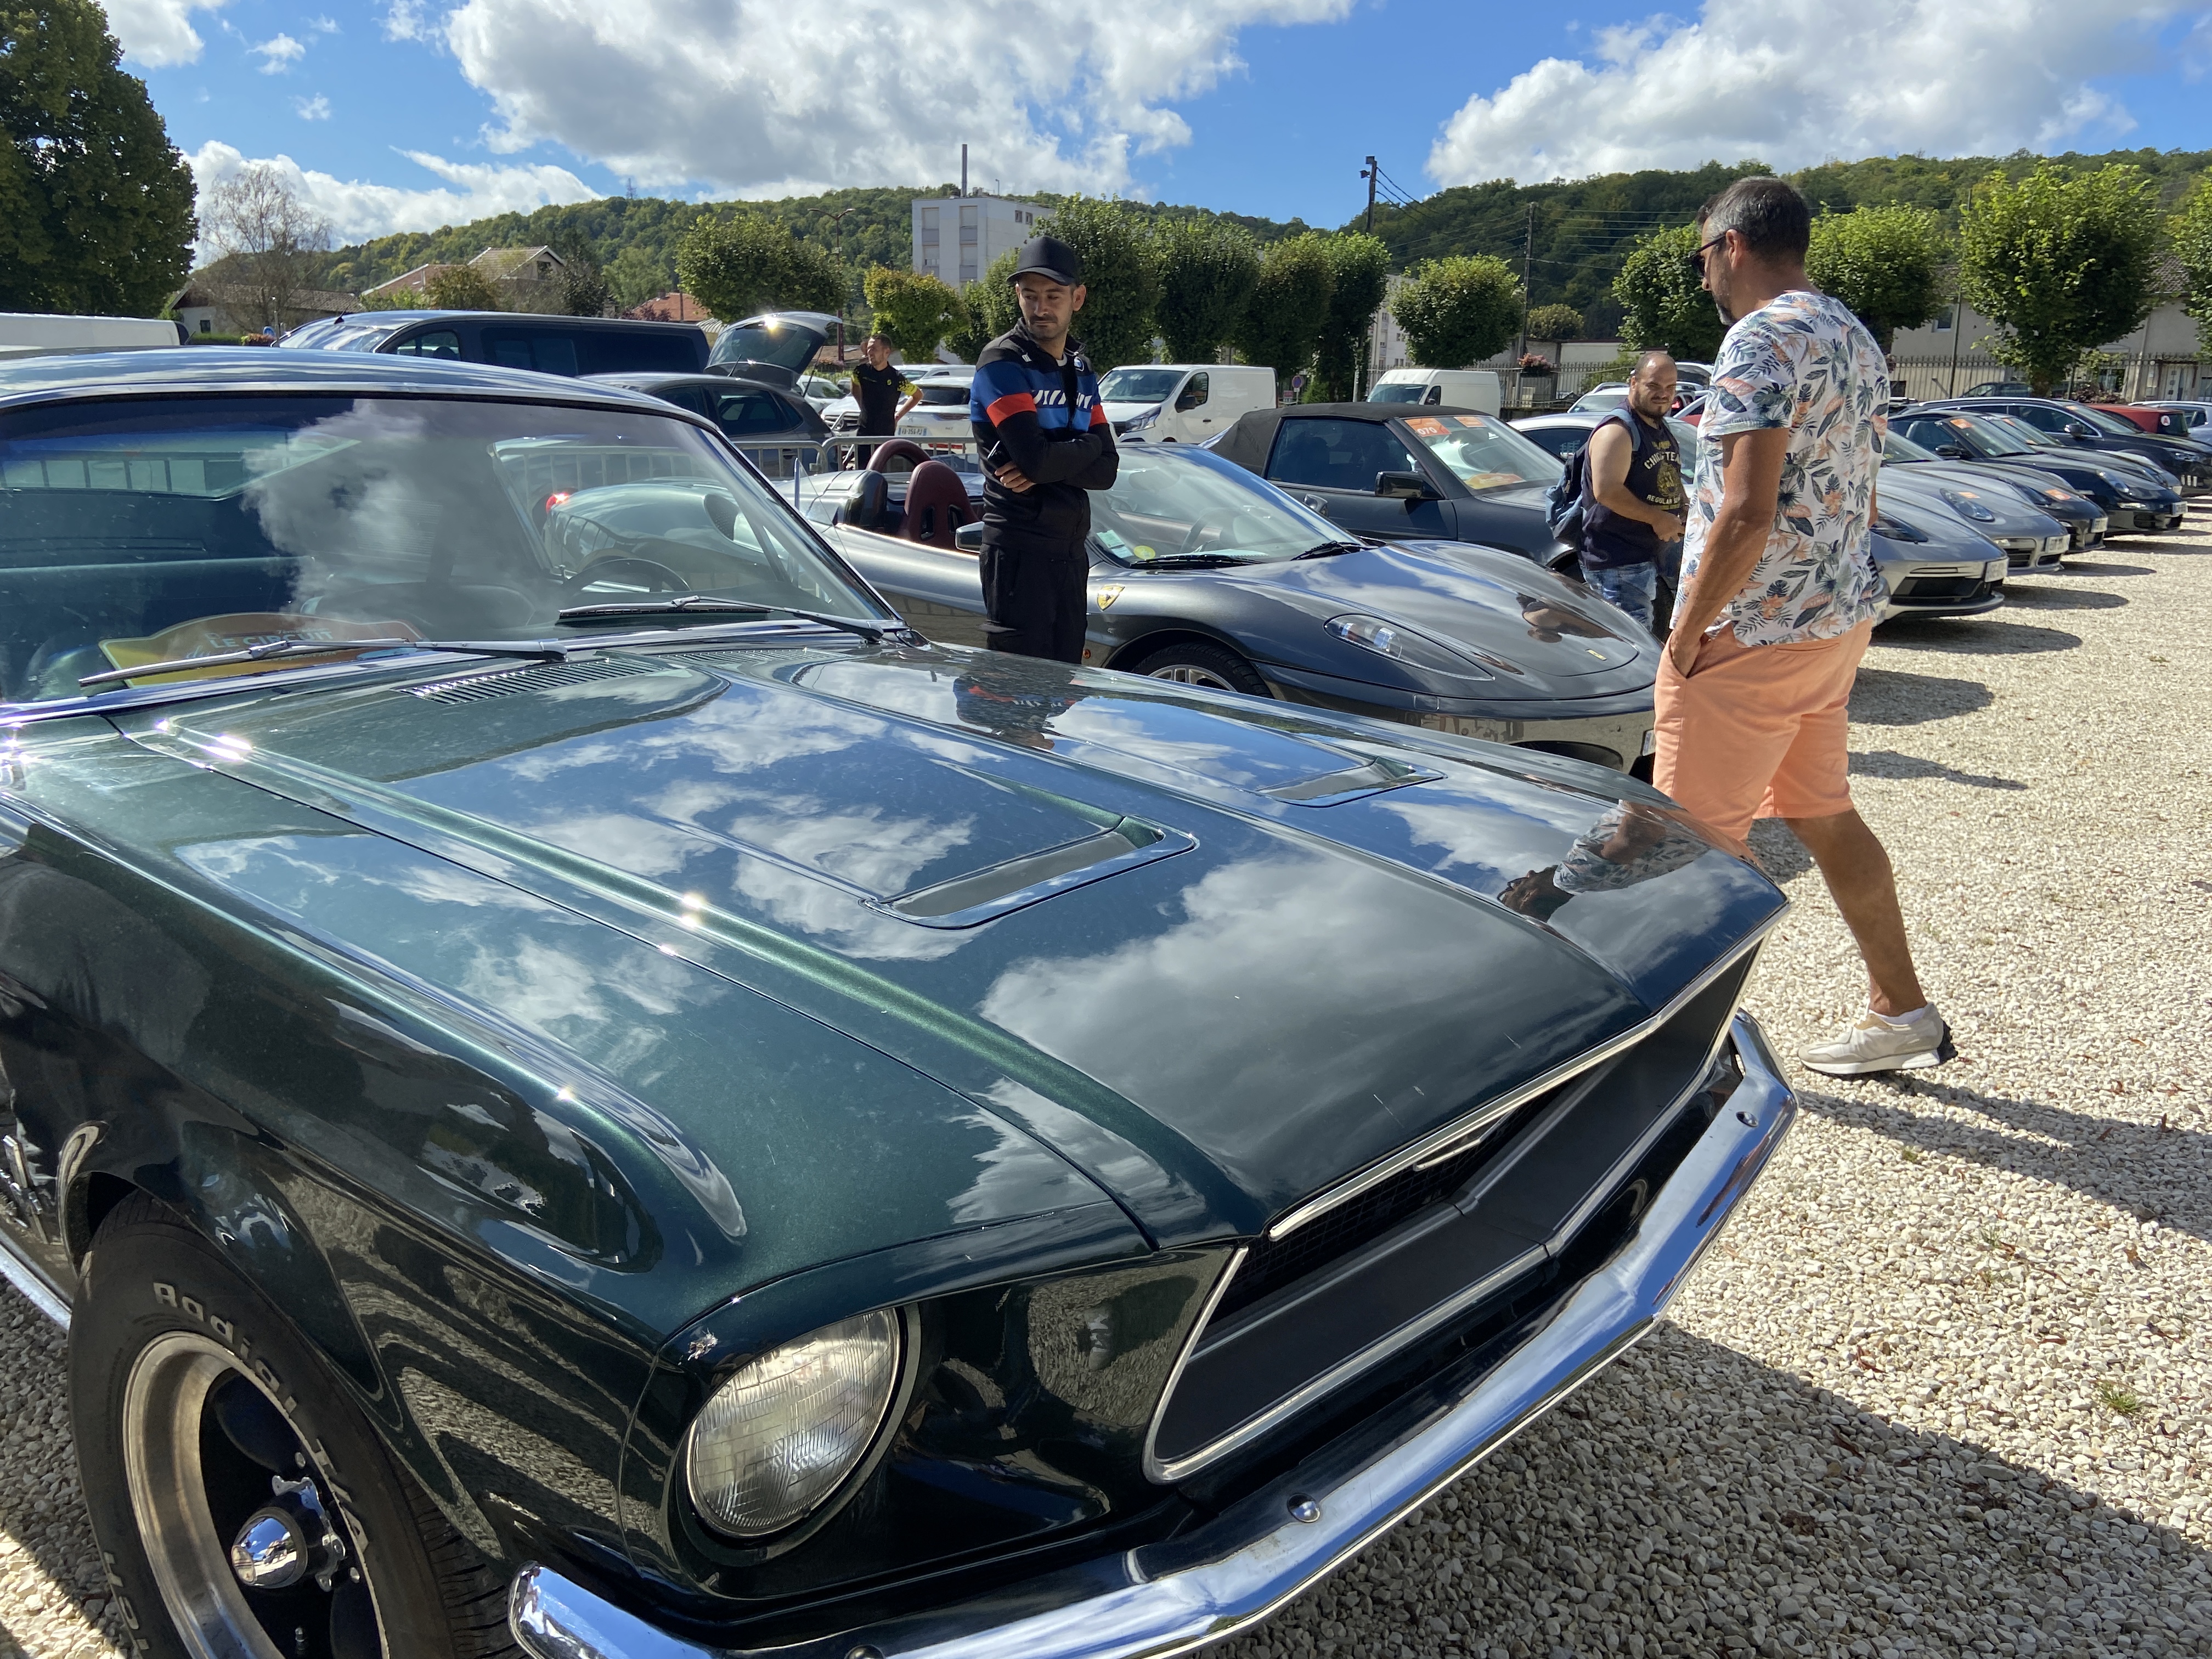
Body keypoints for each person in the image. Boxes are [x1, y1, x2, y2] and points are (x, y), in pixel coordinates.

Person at [1657, 175, 1950, 1077]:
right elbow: (1857, 488)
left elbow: (1744, 514)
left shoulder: (1757, 337)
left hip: (1750, 629)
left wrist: (1683, 638)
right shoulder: (1852, 334)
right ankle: (1901, 1009)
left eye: (1702, 255)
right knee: (1823, 814)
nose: (1702, 273)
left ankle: (1672, 1067)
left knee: (1691, 852)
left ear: (1732, 247)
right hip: (1830, 622)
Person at [967, 235, 1118, 662]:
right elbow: (1035, 460)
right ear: (1017, 296)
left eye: (1053, 295)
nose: (1041, 308)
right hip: (1018, 550)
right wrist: (1082, 448)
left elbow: (1107, 470)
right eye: (1030, 295)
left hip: (1072, 551)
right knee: (1017, 699)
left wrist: (1066, 454)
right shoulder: (1002, 362)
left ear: (1078, 298)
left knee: (1062, 686)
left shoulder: (1082, 369)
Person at [1579, 350, 1684, 631]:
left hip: (1648, 558)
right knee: (1631, 652)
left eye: (1670, 387)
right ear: (1634, 383)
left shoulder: (1658, 427)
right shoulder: (1617, 430)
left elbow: (1669, 477)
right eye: (1654, 385)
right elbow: (1607, 491)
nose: (1664, 394)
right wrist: (1659, 519)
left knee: (1646, 644)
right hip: (1619, 563)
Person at [848, 334, 920, 466]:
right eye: (869, 349)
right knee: (861, 472)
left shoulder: (896, 377)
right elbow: (854, 386)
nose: (870, 352)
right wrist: (862, 405)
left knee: (881, 472)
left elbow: (918, 395)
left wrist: (898, 416)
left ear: (887, 352)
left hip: (885, 432)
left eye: (874, 349)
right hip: (864, 430)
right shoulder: (860, 372)